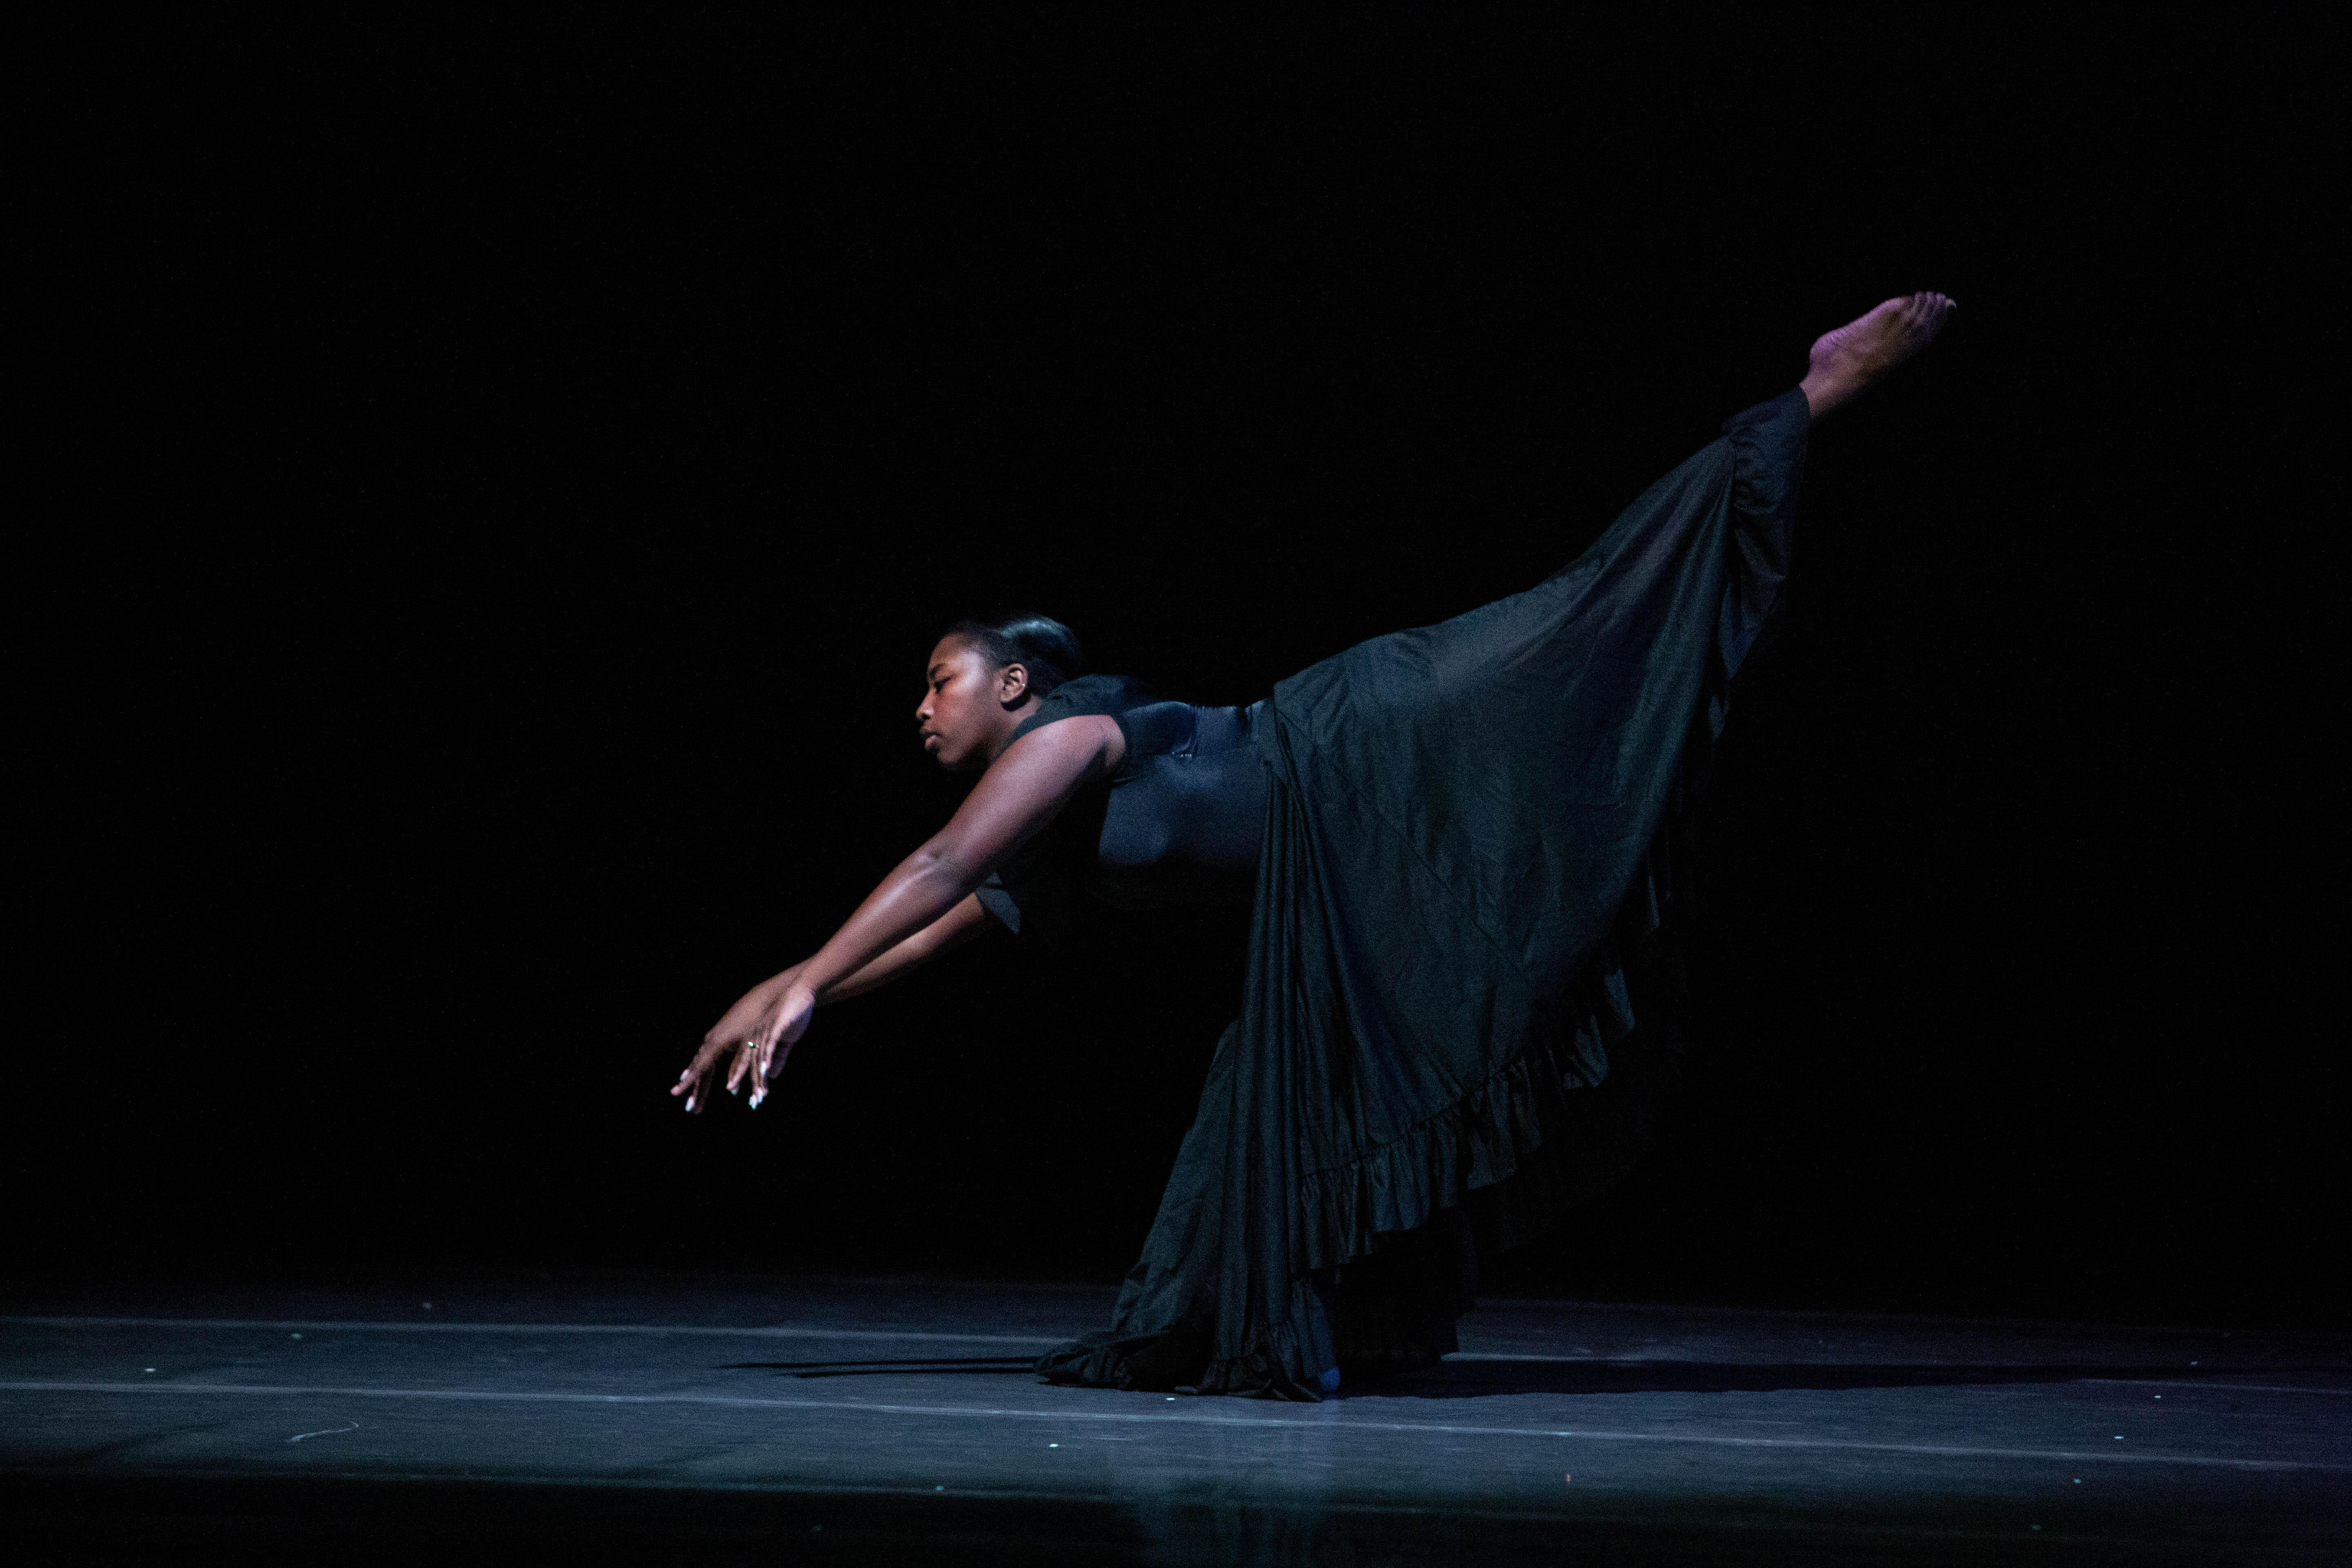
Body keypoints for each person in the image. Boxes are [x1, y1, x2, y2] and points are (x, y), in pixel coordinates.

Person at [674, 292, 1957, 1399]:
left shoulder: (1065, 744)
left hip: (1366, 740)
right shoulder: (1050, 833)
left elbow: (943, 867)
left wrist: (792, 977)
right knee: (1277, 1112)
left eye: (942, 680)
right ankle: (1336, 1320)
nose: (922, 706)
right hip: (1335, 881)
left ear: (1015, 688)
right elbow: (954, 918)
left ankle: (1807, 399)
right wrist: (819, 996)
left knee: (1579, 624)